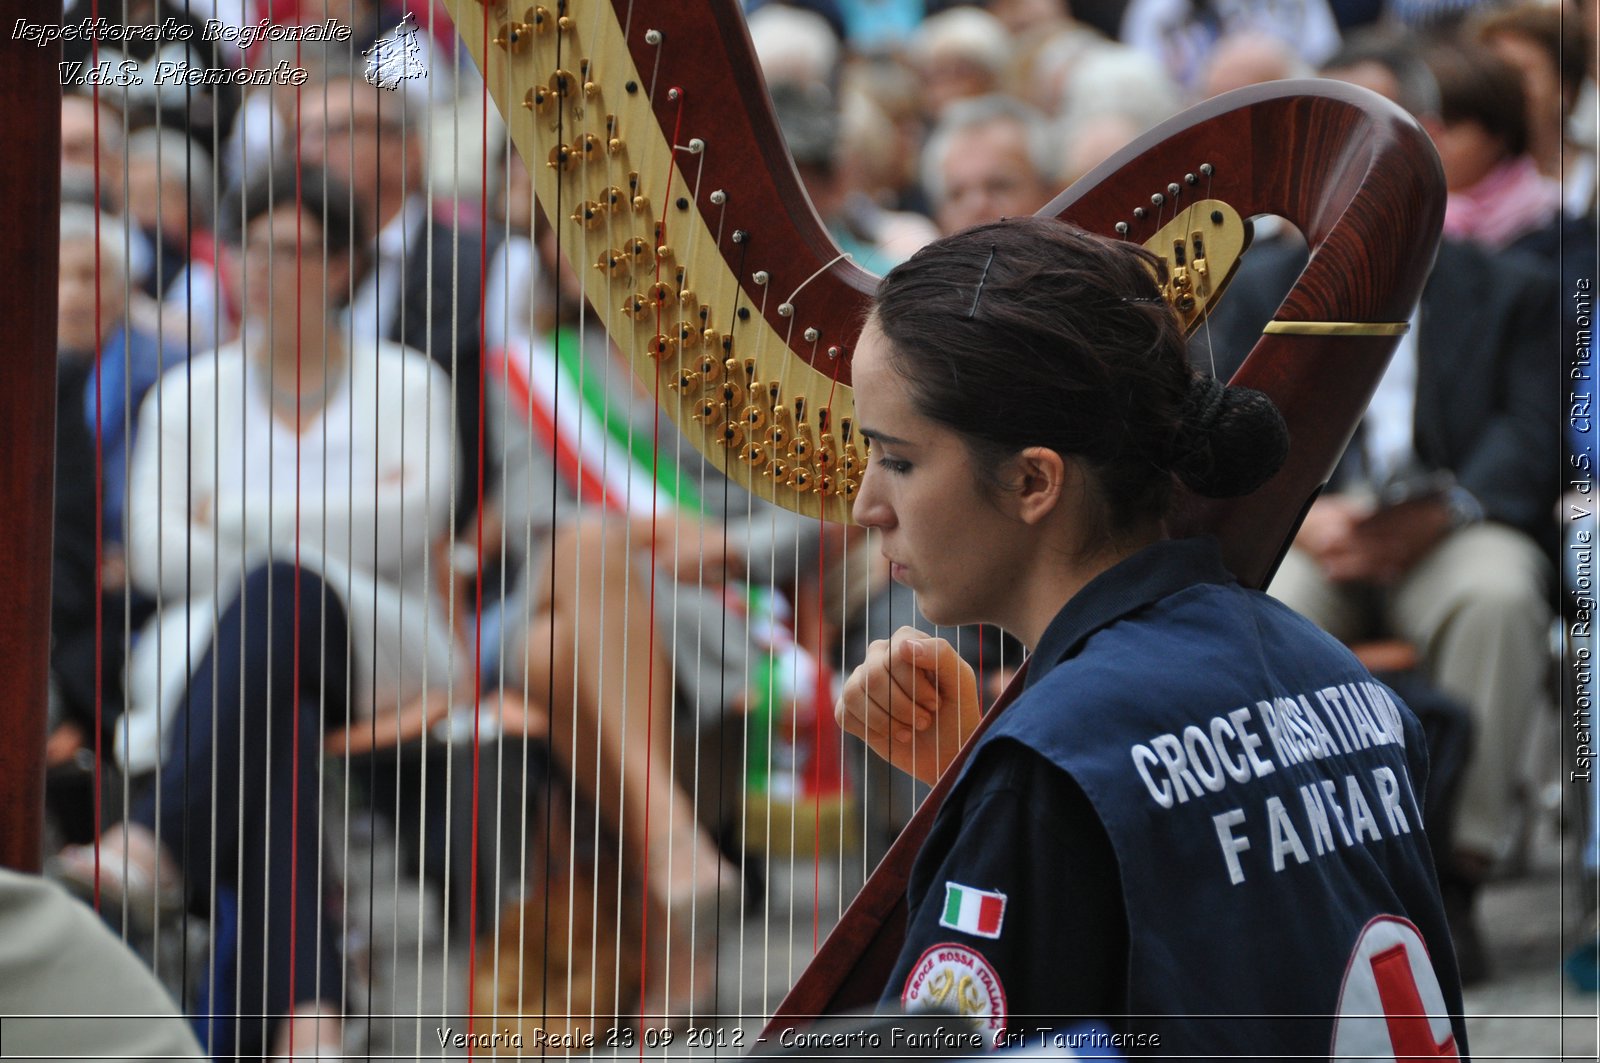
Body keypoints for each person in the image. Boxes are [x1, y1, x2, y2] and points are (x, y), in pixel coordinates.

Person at [836, 217, 1468, 1055]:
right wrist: (980, 780)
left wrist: (1010, 799)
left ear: (1033, 479)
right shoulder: (1334, 673)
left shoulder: (1056, 763)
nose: (865, 506)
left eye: (899, 460)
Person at [57, 162, 459, 1061]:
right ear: (232, 260)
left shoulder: (410, 382)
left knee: (281, 584)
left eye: (306, 251)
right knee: (278, 711)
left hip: (382, 639)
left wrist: (232, 518)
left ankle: (158, 838)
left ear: (348, 264)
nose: (280, 271)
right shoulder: (186, 395)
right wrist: (343, 518)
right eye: (262, 249)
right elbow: (157, 555)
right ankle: (309, 1013)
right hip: (217, 648)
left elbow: (415, 521)